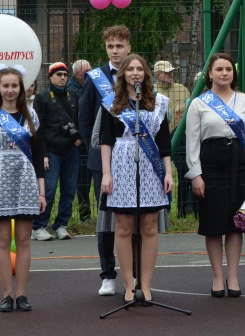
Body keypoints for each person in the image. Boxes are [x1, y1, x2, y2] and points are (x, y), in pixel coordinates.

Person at [186, 53, 245, 297]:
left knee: (235, 225)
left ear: (234, 73)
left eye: (228, 69)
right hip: (210, 165)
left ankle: (233, 278)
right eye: (219, 69)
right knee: (213, 225)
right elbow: (192, 143)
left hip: (240, 164)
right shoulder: (199, 103)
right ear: (209, 73)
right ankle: (217, 278)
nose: (224, 73)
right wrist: (196, 174)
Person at [100, 55, 173, 304]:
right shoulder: (112, 103)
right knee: (123, 226)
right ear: (123, 74)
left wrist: (169, 172)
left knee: (150, 225)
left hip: (151, 168)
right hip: (121, 163)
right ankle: (129, 284)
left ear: (146, 74)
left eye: (139, 68)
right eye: (129, 69)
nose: (134, 73)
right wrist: (106, 173)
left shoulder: (159, 102)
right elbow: (106, 140)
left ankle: (147, 285)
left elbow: (164, 142)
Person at [0, 66, 46, 312]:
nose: (10, 90)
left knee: (24, 240)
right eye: (5, 85)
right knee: (3, 240)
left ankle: (22, 294)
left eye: (14, 85)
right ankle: (7, 294)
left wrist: (41, 191)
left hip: (27, 180)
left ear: (22, 88)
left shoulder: (32, 117)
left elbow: (39, 156)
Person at [78, 25, 131, 296]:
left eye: (119, 46)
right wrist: (97, 150)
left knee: (133, 217)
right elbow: (85, 118)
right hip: (104, 161)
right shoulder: (95, 78)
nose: (115, 51)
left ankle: (133, 277)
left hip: (135, 158)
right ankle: (108, 275)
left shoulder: (138, 74)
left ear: (128, 47)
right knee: (107, 218)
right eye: (110, 46)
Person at [31, 62, 81, 241]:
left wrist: (79, 139)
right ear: (50, 77)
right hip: (51, 152)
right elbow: (38, 127)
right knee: (49, 189)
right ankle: (39, 226)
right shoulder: (42, 97)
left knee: (69, 189)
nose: (62, 78)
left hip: (71, 150)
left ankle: (61, 225)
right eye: (58, 74)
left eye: (65, 75)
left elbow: (79, 120)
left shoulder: (73, 96)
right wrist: (43, 153)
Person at [70, 59, 93, 221]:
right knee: (83, 183)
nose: (90, 74)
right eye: (86, 72)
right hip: (81, 144)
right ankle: (85, 215)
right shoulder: (72, 91)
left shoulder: (92, 86)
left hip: (94, 140)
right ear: (78, 74)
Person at [154, 60, 190, 133]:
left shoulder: (182, 89)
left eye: (171, 72)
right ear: (157, 75)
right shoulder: (151, 91)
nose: (171, 75)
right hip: (159, 135)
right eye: (167, 73)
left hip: (179, 135)